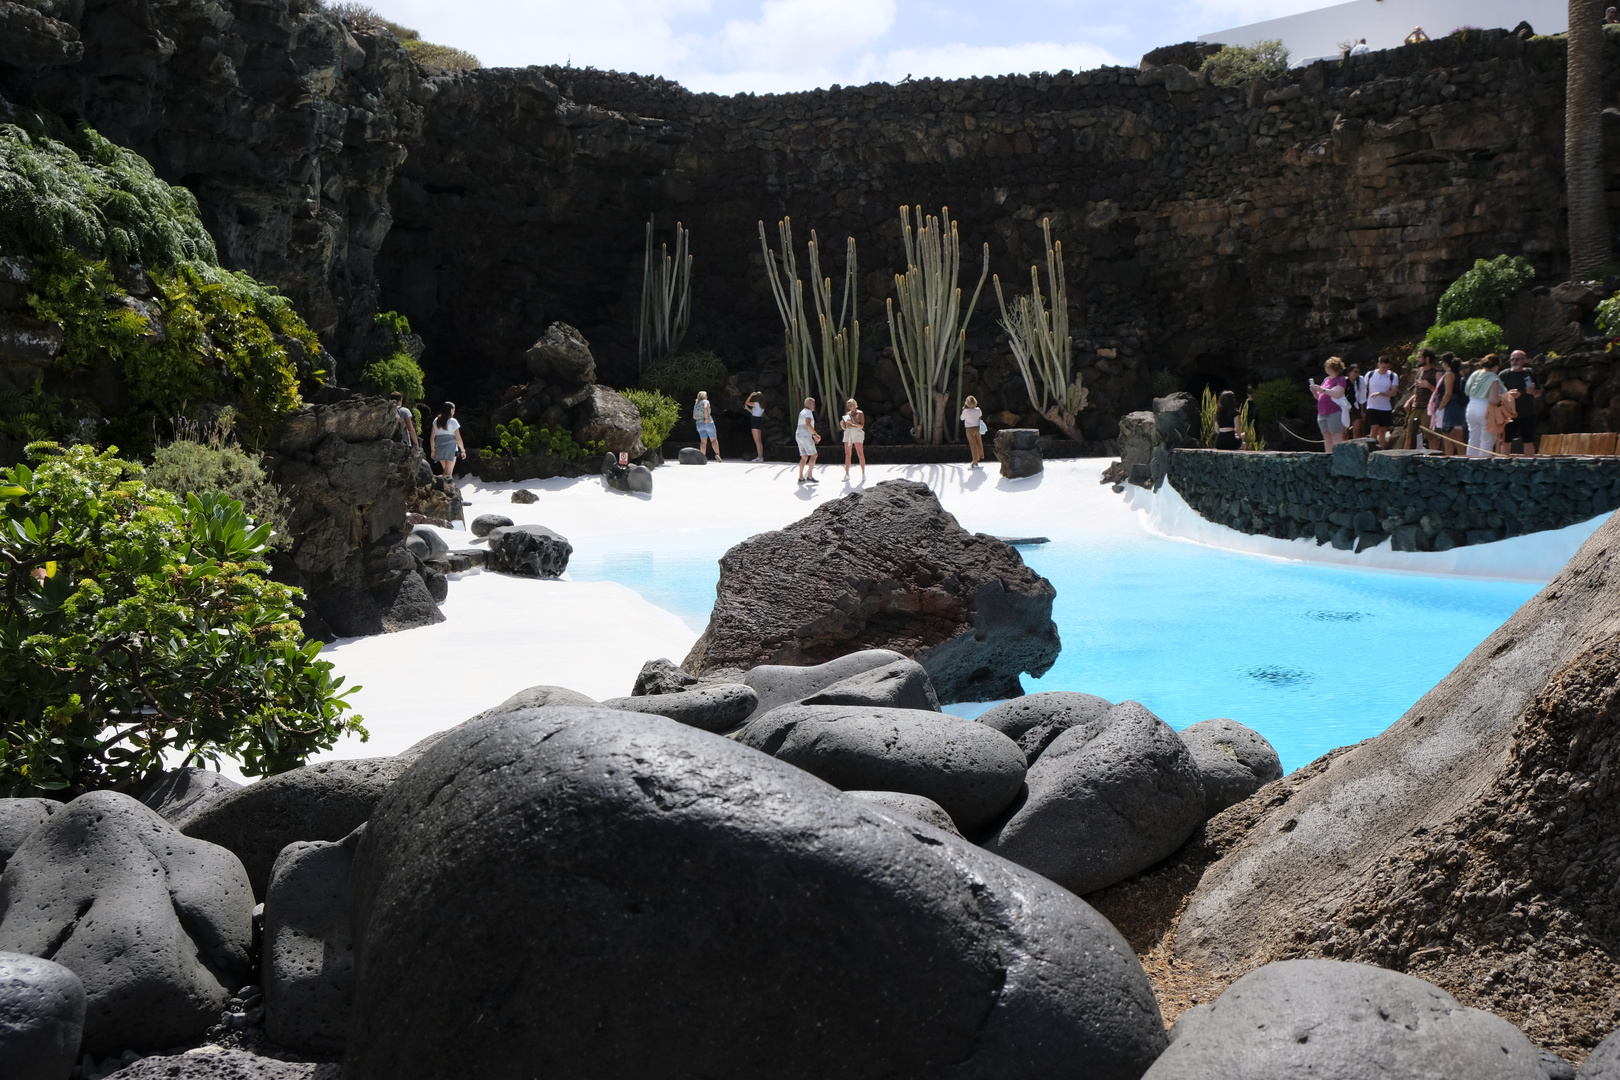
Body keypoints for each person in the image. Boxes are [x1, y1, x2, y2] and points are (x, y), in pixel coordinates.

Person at [1464, 354, 1506, 457]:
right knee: (1487, 441)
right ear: (1496, 367)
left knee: (1473, 440)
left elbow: (1467, 391)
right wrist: (1504, 400)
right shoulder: (1493, 378)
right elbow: (1493, 400)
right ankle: (1483, 467)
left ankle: (1470, 465)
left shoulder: (1475, 374)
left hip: (1471, 408)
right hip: (1485, 409)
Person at [1499, 350, 1540, 456]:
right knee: (1506, 441)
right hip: (1509, 414)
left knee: (1529, 441)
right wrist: (1508, 394)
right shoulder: (1504, 374)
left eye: (1517, 359)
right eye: (1512, 359)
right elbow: (1496, 394)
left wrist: (1533, 392)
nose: (1514, 361)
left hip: (1527, 413)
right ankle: (1504, 465)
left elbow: (1539, 393)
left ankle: (1530, 467)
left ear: (1525, 360)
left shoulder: (1530, 373)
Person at [1431, 354, 1468, 455]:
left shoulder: (1449, 374)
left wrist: (1440, 407)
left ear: (1446, 363)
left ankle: (1448, 460)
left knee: (1447, 438)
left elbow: (1448, 394)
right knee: (1459, 439)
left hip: (1450, 408)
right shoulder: (1460, 374)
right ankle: (1462, 461)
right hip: (1459, 407)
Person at [1310, 357, 1348, 451]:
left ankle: (1339, 458)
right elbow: (1319, 397)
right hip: (1322, 412)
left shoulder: (1341, 379)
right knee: (1327, 437)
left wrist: (1322, 389)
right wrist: (1315, 392)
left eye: (1329, 367)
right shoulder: (1326, 379)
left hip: (1334, 411)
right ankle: (1328, 458)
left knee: (1336, 435)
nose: (1327, 369)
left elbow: (1338, 394)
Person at [1402, 348, 1437, 448]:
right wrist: (1409, 401)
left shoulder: (1436, 373)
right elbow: (1417, 390)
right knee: (1410, 432)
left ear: (1427, 358)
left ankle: (1435, 457)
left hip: (1428, 407)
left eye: (1420, 357)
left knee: (1430, 434)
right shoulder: (1419, 371)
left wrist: (1429, 385)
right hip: (1416, 406)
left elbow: (1440, 392)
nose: (1417, 359)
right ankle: (1405, 456)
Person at [1364, 355, 1401, 448]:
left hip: (1385, 407)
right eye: (1383, 367)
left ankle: (1381, 449)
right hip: (1372, 405)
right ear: (1378, 364)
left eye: (1387, 367)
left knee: (1382, 430)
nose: (1385, 369)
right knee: (1374, 427)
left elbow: (1393, 392)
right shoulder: (1370, 374)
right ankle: (1371, 448)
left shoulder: (1392, 376)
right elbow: (1364, 389)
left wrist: (1380, 393)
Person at [430, 401, 464, 478]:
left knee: (445, 471)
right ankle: (447, 489)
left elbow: (432, 437)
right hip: (450, 448)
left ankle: (441, 487)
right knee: (448, 474)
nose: (454, 412)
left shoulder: (436, 420)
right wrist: (462, 450)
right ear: (450, 410)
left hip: (439, 448)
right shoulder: (453, 421)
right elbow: (458, 438)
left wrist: (432, 450)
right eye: (453, 410)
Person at [840, 398, 867, 481]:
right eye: (848, 405)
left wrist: (852, 423)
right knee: (848, 454)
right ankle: (847, 474)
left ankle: (863, 473)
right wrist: (842, 424)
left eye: (851, 405)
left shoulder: (860, 413)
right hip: (848, 433)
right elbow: (845, 427)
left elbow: (862, 426)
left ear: (855, 405)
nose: (849, 407)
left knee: (860, 453)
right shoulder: (847, 414)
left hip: (857, 432)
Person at [796, 397, 820, 483]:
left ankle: (801, 477)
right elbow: (808, 424)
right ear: (808, 404)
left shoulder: (802, 412)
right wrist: (815, 435)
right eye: (813, 403)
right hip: (805, 436)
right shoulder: (808, 412)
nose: (814, 405)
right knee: (814, 455)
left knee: (804, 456)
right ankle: (809, 476)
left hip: (799, 435)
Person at [693, 391, 723, 463]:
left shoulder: (696, 404)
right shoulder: (706, 402)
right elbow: (705, 408)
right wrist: (706, 418)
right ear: (705, 396)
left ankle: (702, 457)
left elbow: (694, 416)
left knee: (703, 442)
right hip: (708, 423)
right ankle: (717, 454)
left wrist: (700, 419)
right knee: (713, 440)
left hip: (699, 424)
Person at [961, 395, 986, 467]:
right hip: (977, 428)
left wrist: (964, 410)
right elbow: (980, 415)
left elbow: (962, 418)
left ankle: (975, 461)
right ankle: (980, 456)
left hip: (969, 429)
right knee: (979, 443)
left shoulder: (965, 412)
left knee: (973, 445)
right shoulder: (978, 410)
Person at [1344, 363, 1364, 438]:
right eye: (1355, 372)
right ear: (1350, 372)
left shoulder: (1360, 381)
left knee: (1356, 430)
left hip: (1356, 407)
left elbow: (1362, 396)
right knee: (1345, 432)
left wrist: (1362, 410)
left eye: (1358, 372)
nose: (1357, 374)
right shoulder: (1344, 381)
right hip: (1346, 408)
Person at [745, 391, 766, 462]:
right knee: (759, 441)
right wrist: (748, 409)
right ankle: (760, 457)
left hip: (755, 421)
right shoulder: (762, 405)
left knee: (757, 441)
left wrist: (750, 395)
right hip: (758, 420)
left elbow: (747, 402)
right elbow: (755, 412)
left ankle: (760, 457)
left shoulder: (756, 404)